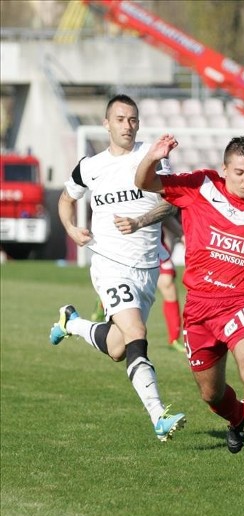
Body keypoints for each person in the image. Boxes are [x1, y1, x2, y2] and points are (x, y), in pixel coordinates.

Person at [135, 133, 244, 466]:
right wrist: (151, 157)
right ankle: (238, 419)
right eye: (240, 172)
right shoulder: (200, 186)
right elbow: (144, 182)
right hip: (200, 308)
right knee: (211, 394)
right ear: (224, 169)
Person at [48, 94, 186, 441]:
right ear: (107, 124)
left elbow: (171, 204)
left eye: (133, 119)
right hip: (109, 263)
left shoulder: (151, 158)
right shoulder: (90, 166)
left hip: (147, 266)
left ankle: (72, 322)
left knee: (118, 347)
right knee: (137, 334)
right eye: (121, 119)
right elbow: (66, 199)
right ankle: (159, 416)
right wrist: (70, 228)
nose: (128, 125)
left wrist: (140, 221)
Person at [113, 206, 185, 352]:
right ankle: (103, 303)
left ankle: (174, 339)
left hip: (154, 246)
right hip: (127, 247)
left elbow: (164, 214)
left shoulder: (151, 188)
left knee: (168, 284)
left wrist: (182, 234)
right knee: (125, 285)